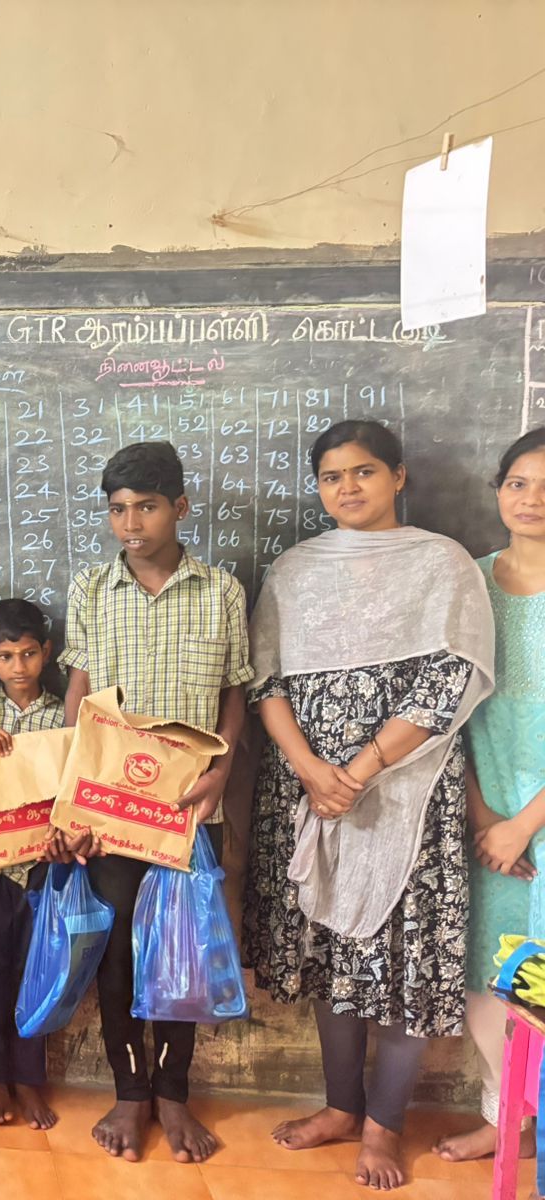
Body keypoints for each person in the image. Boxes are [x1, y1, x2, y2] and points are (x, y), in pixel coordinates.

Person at [243, 420, 493, 1191]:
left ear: (399, 476)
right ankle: (342, 1107)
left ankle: (385, 1126)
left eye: (363, 472)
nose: (346, 488)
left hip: (407, 792)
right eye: (330, 477)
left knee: (404, 960)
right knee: (333, 959)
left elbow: (451, 676)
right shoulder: (293, 570)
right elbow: (267, 680)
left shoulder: (442, 564)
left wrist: (363, 765)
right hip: (310, 794)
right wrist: (311, 768)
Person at [60, 440, 251, 1164]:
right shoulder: (90, 589)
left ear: (181, 507)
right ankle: (130, 1093)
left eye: (146, 506)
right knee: (118, 958)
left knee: (182, 955)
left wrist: (223, 769)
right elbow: (80, 691)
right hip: (111, 805)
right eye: (117, 509)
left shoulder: (221, 591)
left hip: (190, 804)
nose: (131, 523)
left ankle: (175, 1093)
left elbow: (235, 690)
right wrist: (69, 795)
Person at [437, 430, 545, 1165]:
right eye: (518, 483)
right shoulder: (468, 583)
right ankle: (507, 1120)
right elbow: (449, 713)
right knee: (492, 976)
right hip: (487, 813)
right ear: (498, 489)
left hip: (533, 818)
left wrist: (526, 826)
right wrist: (484, 817)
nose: (532, 499)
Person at [0, 598, 63, 1131]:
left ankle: (29, 1080)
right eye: (6, 656)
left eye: (28, 654)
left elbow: (78, 784)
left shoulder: (65, 713)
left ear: (46, 652)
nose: (19, 667)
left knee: (36, 972)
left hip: (44, 866)